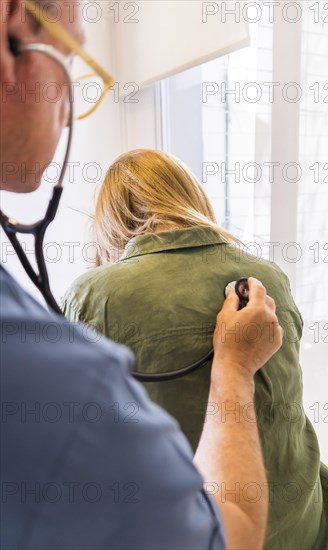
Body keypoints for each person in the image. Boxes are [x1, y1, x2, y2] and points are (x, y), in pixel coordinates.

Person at [0, 1, 283, 549]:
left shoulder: (85, 306)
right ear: (15, 36)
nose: (66, 112)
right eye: (74, 62)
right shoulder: (267, 279)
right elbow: (230, 535)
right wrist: (234, 365)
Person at [63, 149, 328, 550]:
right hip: (302, 526)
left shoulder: (92, 296)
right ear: (191, 196)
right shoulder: (269, 277)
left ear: (111, 221)